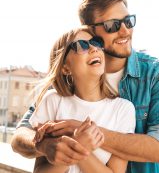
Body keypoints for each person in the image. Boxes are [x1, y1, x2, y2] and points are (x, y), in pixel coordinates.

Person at [11, 0, 159, 173]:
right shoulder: (68, 78)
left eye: (128, 22)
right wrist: (44, 146)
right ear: (91, 31)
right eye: (112, 25)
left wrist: (81, 133)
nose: (125, 31)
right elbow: (22, 135)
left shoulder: (158, 73)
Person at [27, 26, 136, 173]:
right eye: (82, 45)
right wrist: (80, 145)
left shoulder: (123, 109)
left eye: (96, 43)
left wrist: (78, 148)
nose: (94, 49)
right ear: (65, 68)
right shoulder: (52, 101)